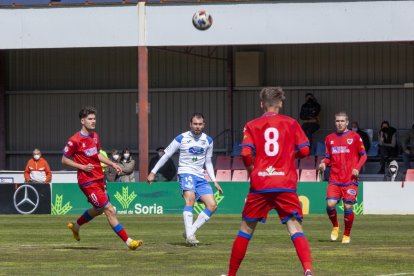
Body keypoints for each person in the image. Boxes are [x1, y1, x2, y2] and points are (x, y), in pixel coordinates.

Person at [227, 87, 313, 276]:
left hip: (261, 184)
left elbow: (245, 153)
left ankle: (232, 274)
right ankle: (307, 270)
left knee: (246, 229)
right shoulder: (291, 123)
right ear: (281, 103)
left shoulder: (251, 125)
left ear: (261, 104)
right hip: (285, 183)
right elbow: (306, 151)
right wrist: (291, 156)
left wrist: (252, 171)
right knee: (294, 227)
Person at [62, 106, 142, 250]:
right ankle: (129, 242)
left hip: (99, 178)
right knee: (109, 209)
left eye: (94, 119)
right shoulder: (74, 140)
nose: (93, 121)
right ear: (82, 120)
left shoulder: (95, 136)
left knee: (98, 209)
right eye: (90, 119)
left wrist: (113, 163)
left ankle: (76, 226)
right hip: (87, 181)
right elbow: (64, 160)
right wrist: (82, 167)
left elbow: (97, 154)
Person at [147, 113, 224, 246]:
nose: (197, 126)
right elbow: (166, 155)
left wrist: (214, 180)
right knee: (190, 200)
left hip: (200, 176)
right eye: (195, 124)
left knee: (212, 205)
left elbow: (208, 162)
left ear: (203, 125)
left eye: (200, 124)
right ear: (190, 124)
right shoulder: (181, 138)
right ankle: (190, 236)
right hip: (185, 173)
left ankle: (190, 231)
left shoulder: (208, 141)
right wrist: (153, 171)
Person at [318, 111, 367, 244]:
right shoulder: (329, 138)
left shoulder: (354, 137)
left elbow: (363, 155)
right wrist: (323, 163)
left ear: (347, 122)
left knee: (348, 207)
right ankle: (335, 226)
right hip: (334, 179)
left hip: (350, 179)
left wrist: (357, 168)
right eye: (337, 121)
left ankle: (346, 234)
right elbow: (328, 158)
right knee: (330, 204)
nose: (339, 123)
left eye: (342, 121)